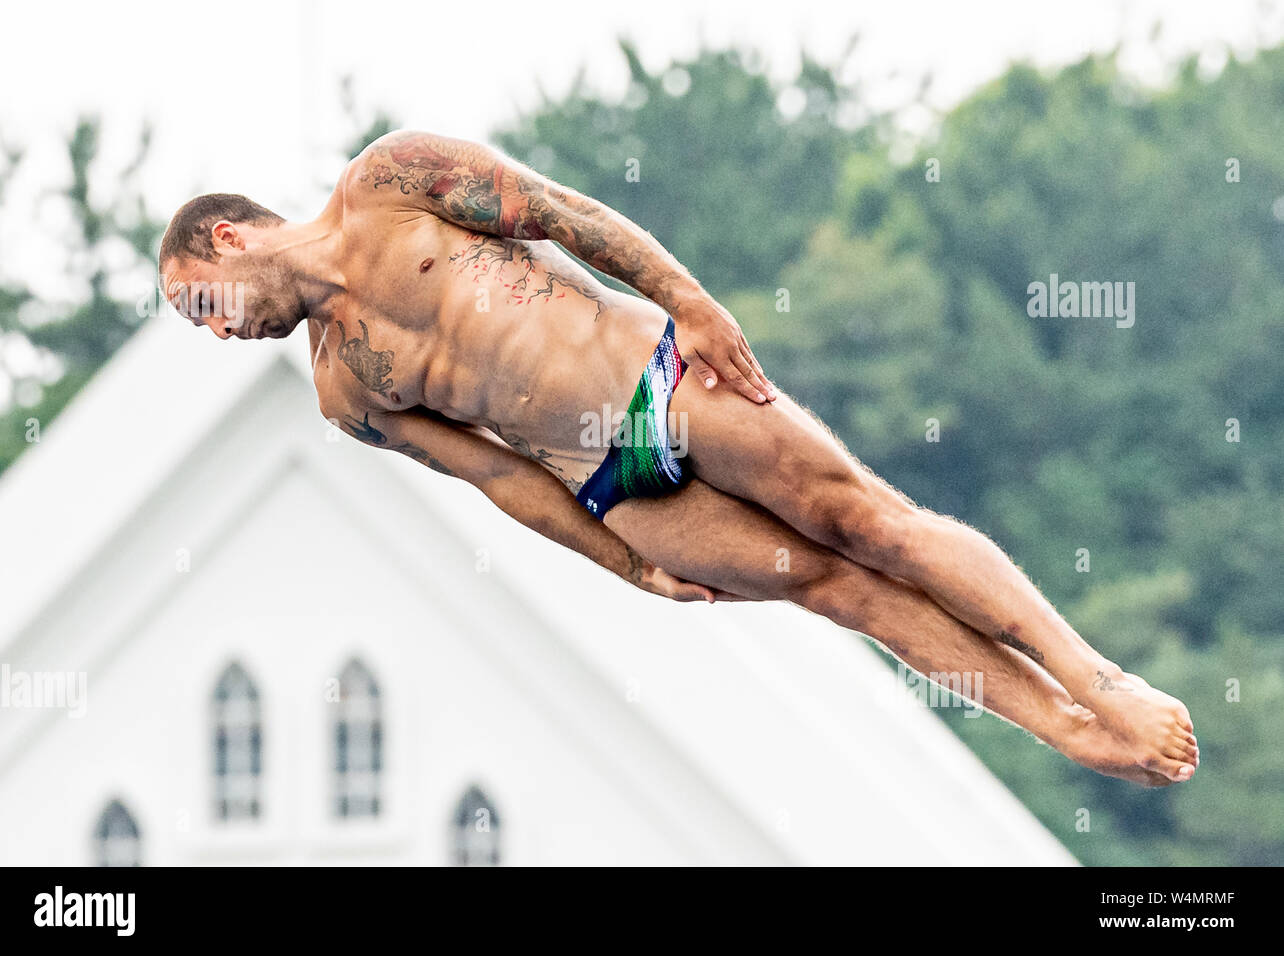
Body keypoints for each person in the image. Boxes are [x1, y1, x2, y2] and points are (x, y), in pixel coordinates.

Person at [159, 129, 1197, 786]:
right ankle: (1068, 732)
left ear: (227, 241)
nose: (216, 333)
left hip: (658, 377)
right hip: (612, 487)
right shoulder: (343, 389)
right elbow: (496, 474)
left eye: (200, 307)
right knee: (836, 590)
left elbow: (570, 217)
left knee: (868, 523)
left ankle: (1100, 682)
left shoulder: (388, 181)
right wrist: (628, 564)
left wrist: (691, 305)